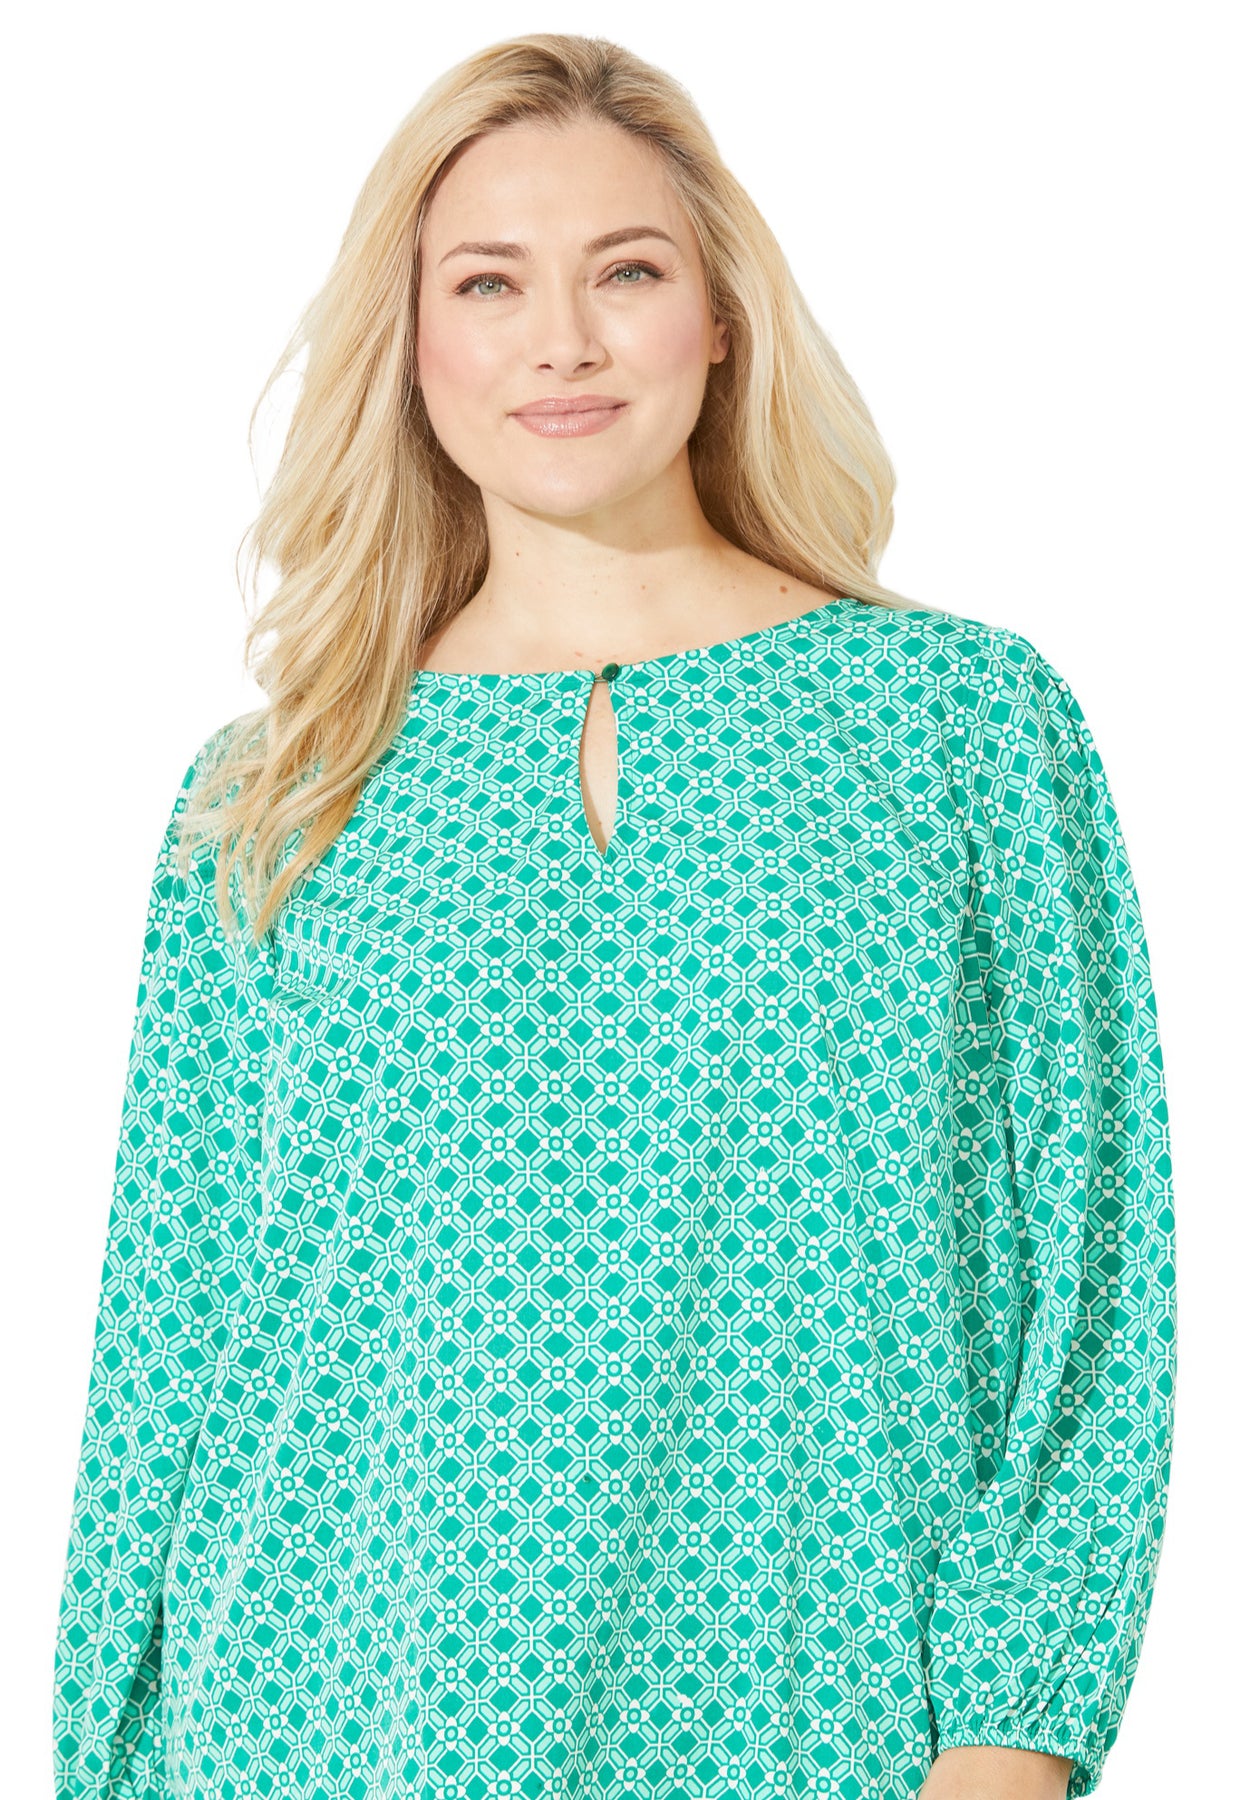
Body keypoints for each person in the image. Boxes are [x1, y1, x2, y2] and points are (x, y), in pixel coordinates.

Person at [51, 32, 1176, 1800]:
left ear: (720, 317)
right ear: (412, 342)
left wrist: (1015, 1727)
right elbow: (166, 1334)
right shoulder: (274, 790)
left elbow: (1095, 1266)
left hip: (818, 1706)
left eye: (627, 273)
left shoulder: (956, 723)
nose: (561, 340)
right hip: (329, 1722)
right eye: (488, 283)